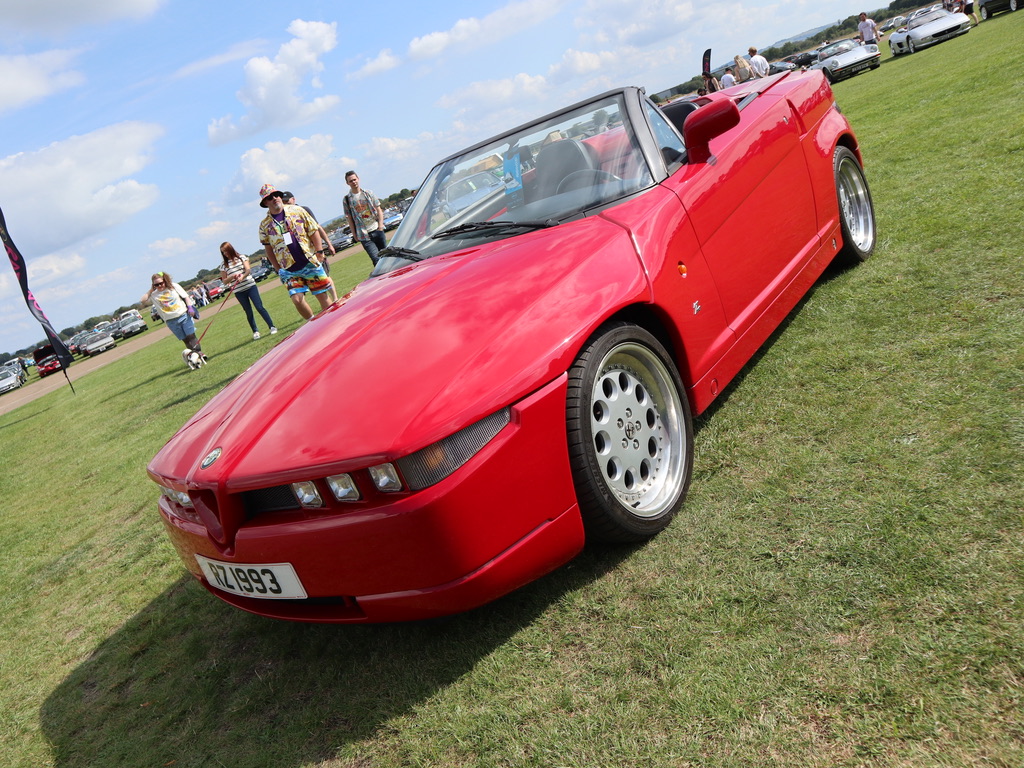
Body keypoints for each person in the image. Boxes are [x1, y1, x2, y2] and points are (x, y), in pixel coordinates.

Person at [257, 183, 337, 321]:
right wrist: (278, 269)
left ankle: (334, 322)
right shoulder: (264, 225)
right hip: (289, 269)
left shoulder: (297, 211)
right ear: (265, 202)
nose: (275, 198)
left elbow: (313, 231)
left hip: (310, 262)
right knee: (297, 299)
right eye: (270, 197)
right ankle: (312, 323)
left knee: (322, 296)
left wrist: (319, 252)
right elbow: (268, 249)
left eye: (276, 194)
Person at [140, 271, 207, 362]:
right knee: (186, 340)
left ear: (165, 281)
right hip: (171, 321)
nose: (160, 286)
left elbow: (186, 296)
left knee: (191, 336)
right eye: (156, 285)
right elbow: (143, 300)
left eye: (161, 283)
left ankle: (199, 354)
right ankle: (195, 357)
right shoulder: (153, 294)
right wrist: (151, 290)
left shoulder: (174, 286)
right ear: (153, 285)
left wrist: (190, 307)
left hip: (183, 315)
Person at [219, 242, 277, 340]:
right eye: (223, 252)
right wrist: (232, 277)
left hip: (250, 286)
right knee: (248, 311)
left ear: (230, 249)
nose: (225, 254)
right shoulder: (223, 265)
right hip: (239, 291)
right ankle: (255, 331)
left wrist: (242, 276)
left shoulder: (242, 257)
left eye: (226, 251)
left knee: (259, 307)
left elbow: (248, 270)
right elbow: (224, 281)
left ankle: (272, 326)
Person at [282, 191, 335, 273]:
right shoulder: (283, 218)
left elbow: (317, 228)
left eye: (287, 201)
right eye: (284, 202)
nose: (286, 204)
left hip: (313, 252)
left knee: (324, 278)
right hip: (299, 257)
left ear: (293, 199)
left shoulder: (304, 210)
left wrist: (329, 244)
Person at [342, 171, 387, 266]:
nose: (353, 182)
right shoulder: (347, 200)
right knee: (376, 260)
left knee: (387, 257)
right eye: (351, 181)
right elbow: (349, 218)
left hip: (377, 229)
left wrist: (380, 226)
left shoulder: (368, 193)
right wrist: (354, 235)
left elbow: (379, 209)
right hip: (363, 235)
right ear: (347, 183)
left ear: (358, 179)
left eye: (354, 179)